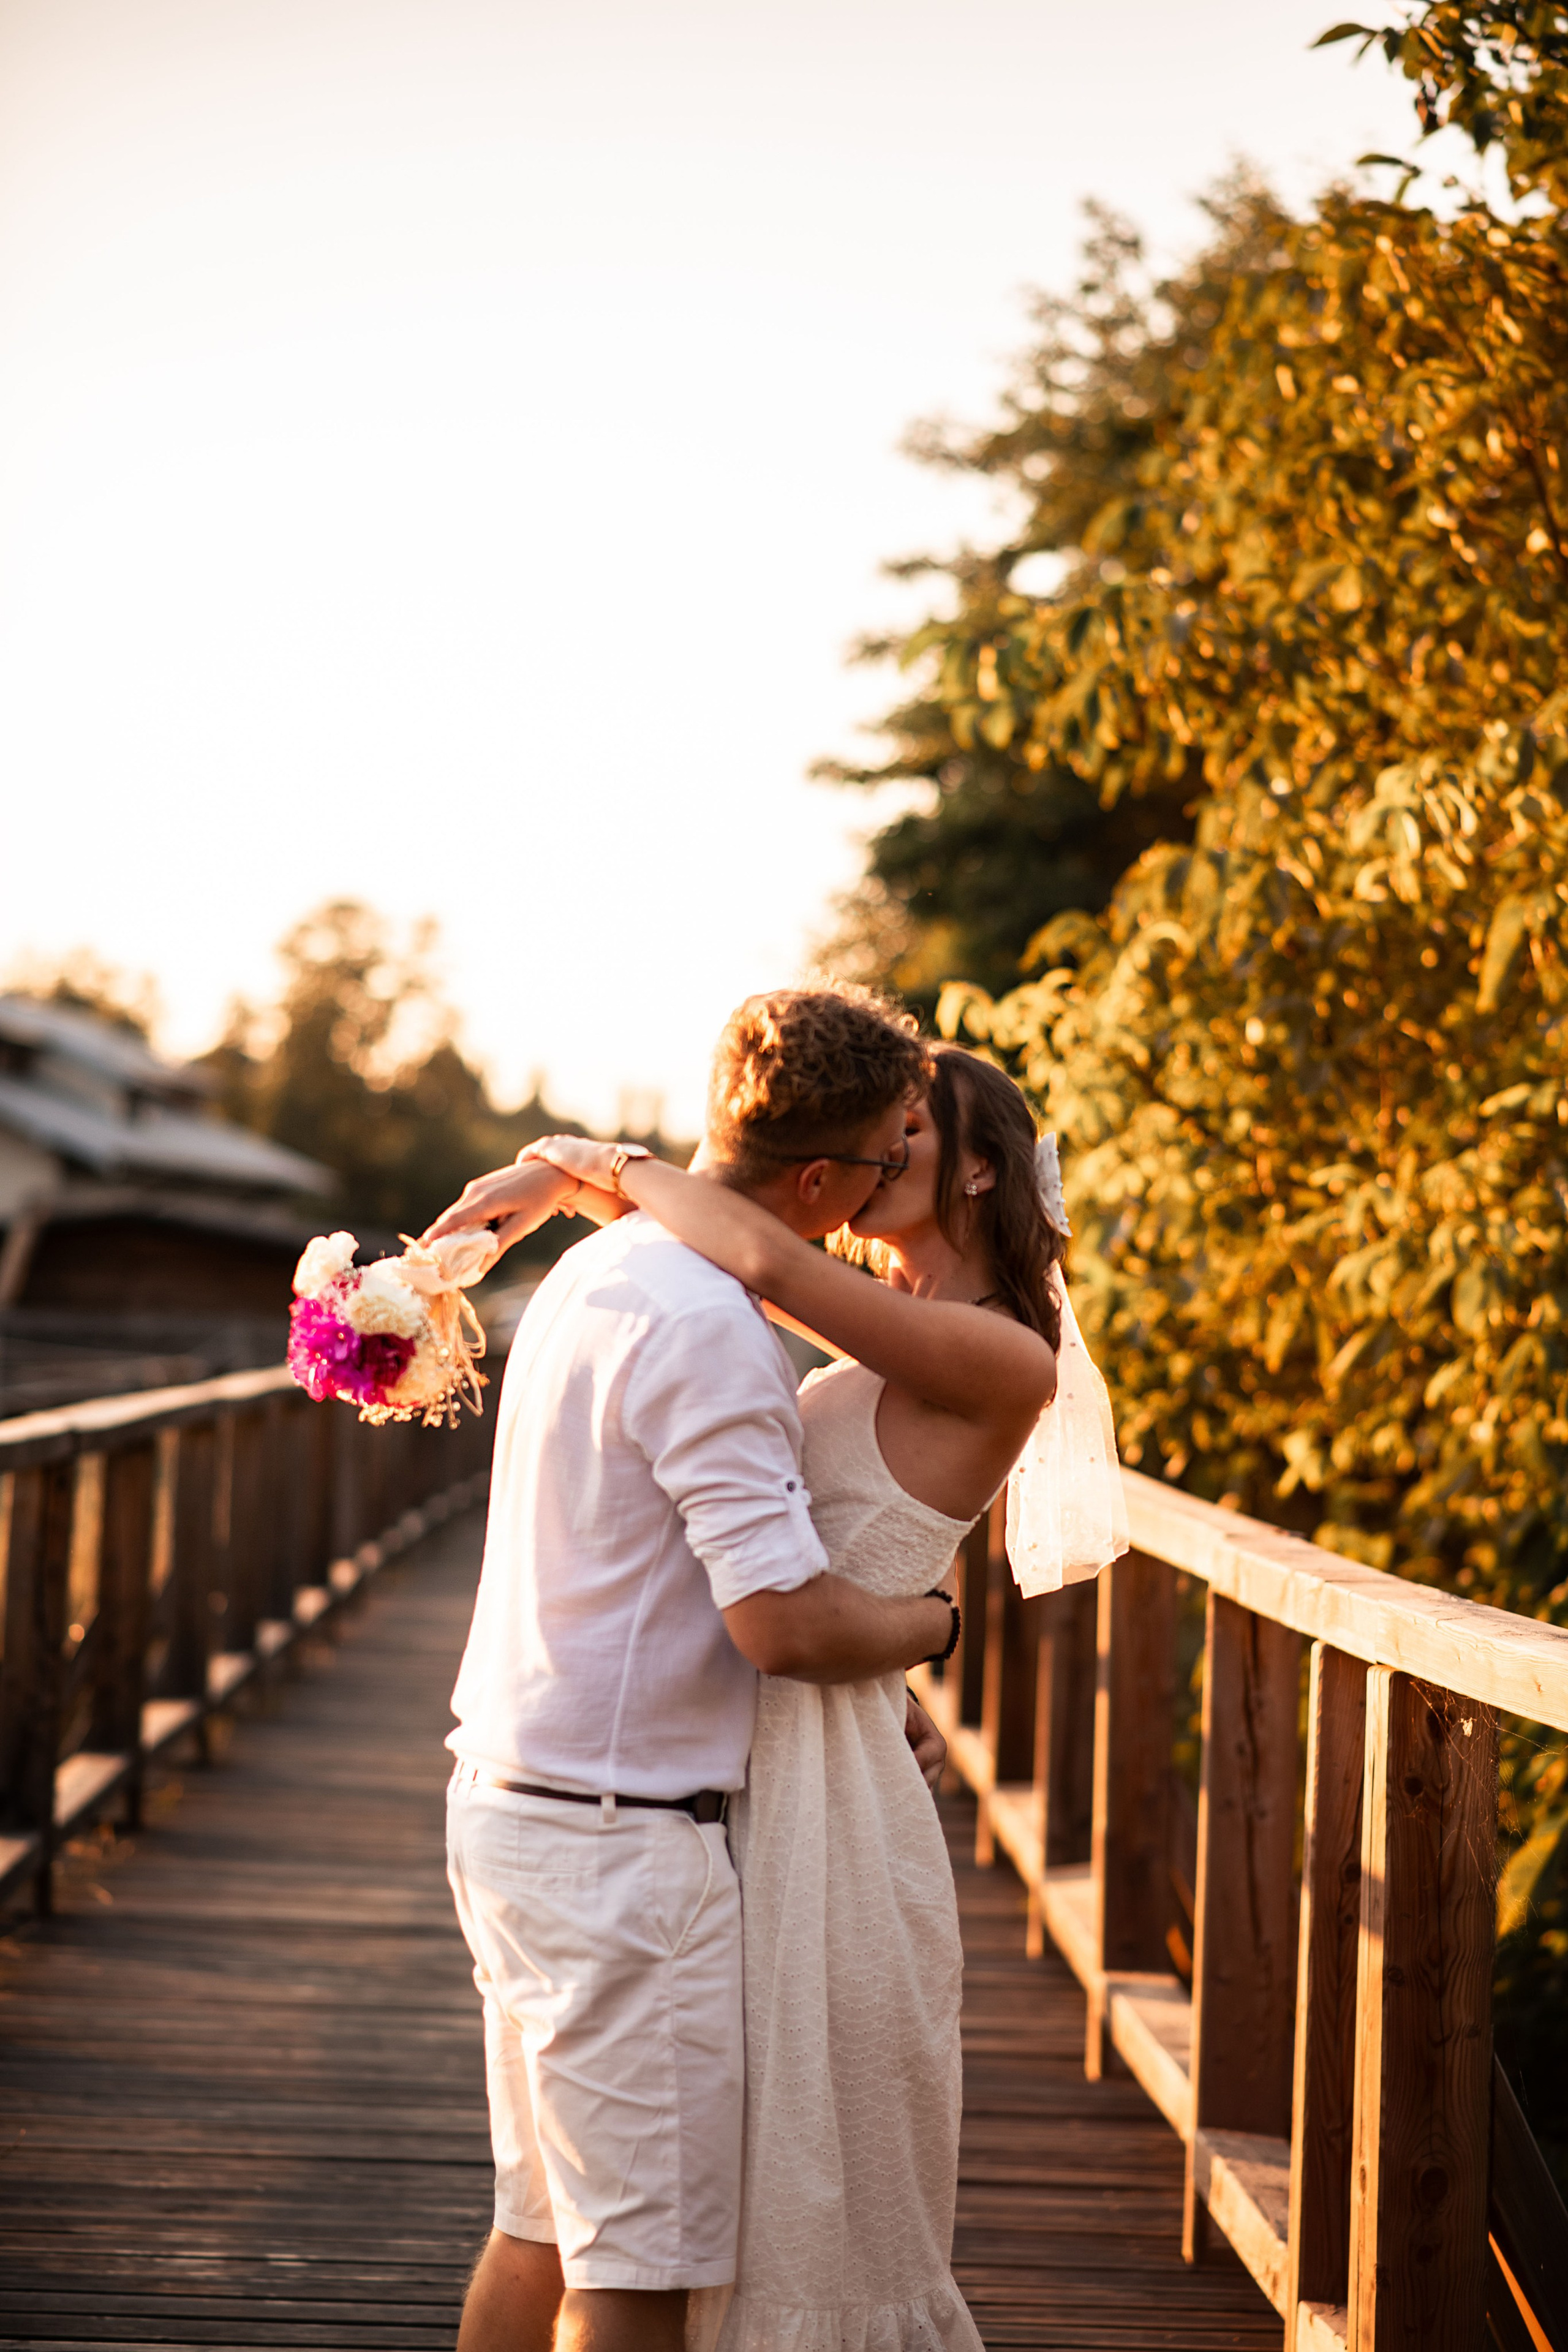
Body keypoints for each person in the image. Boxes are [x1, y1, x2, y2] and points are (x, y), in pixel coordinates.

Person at [433, 1036, 1064, 2352]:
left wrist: (587, 1166)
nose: (890, 1152)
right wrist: (915, 1632)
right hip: (714, 1781)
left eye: (916, 1131)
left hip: (802, 1804)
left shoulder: (999, 1355)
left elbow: (759, 1254)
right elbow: (741, 1244)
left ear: (978, 1170)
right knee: (600, 2231)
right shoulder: (837, 1317)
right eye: (882, 1133)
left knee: (655, 2230)